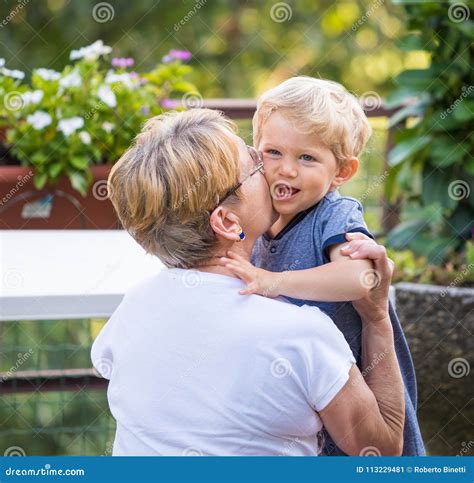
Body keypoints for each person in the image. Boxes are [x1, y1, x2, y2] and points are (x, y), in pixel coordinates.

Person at [91, 108, 405, 456]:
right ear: (226, 222)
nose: (270, 168)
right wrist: (377, 319)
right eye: (256, 163)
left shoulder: (133, 307)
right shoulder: (302, 336)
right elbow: (382, 451)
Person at [221, 77, 425, 456]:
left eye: (307, 158)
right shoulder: (261, 221)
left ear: (343, 172)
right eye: (273, 152)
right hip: (311, 400)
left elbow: (359, 278)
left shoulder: (334, 214)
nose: (286, 170)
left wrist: (272, 281)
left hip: (360, 394)